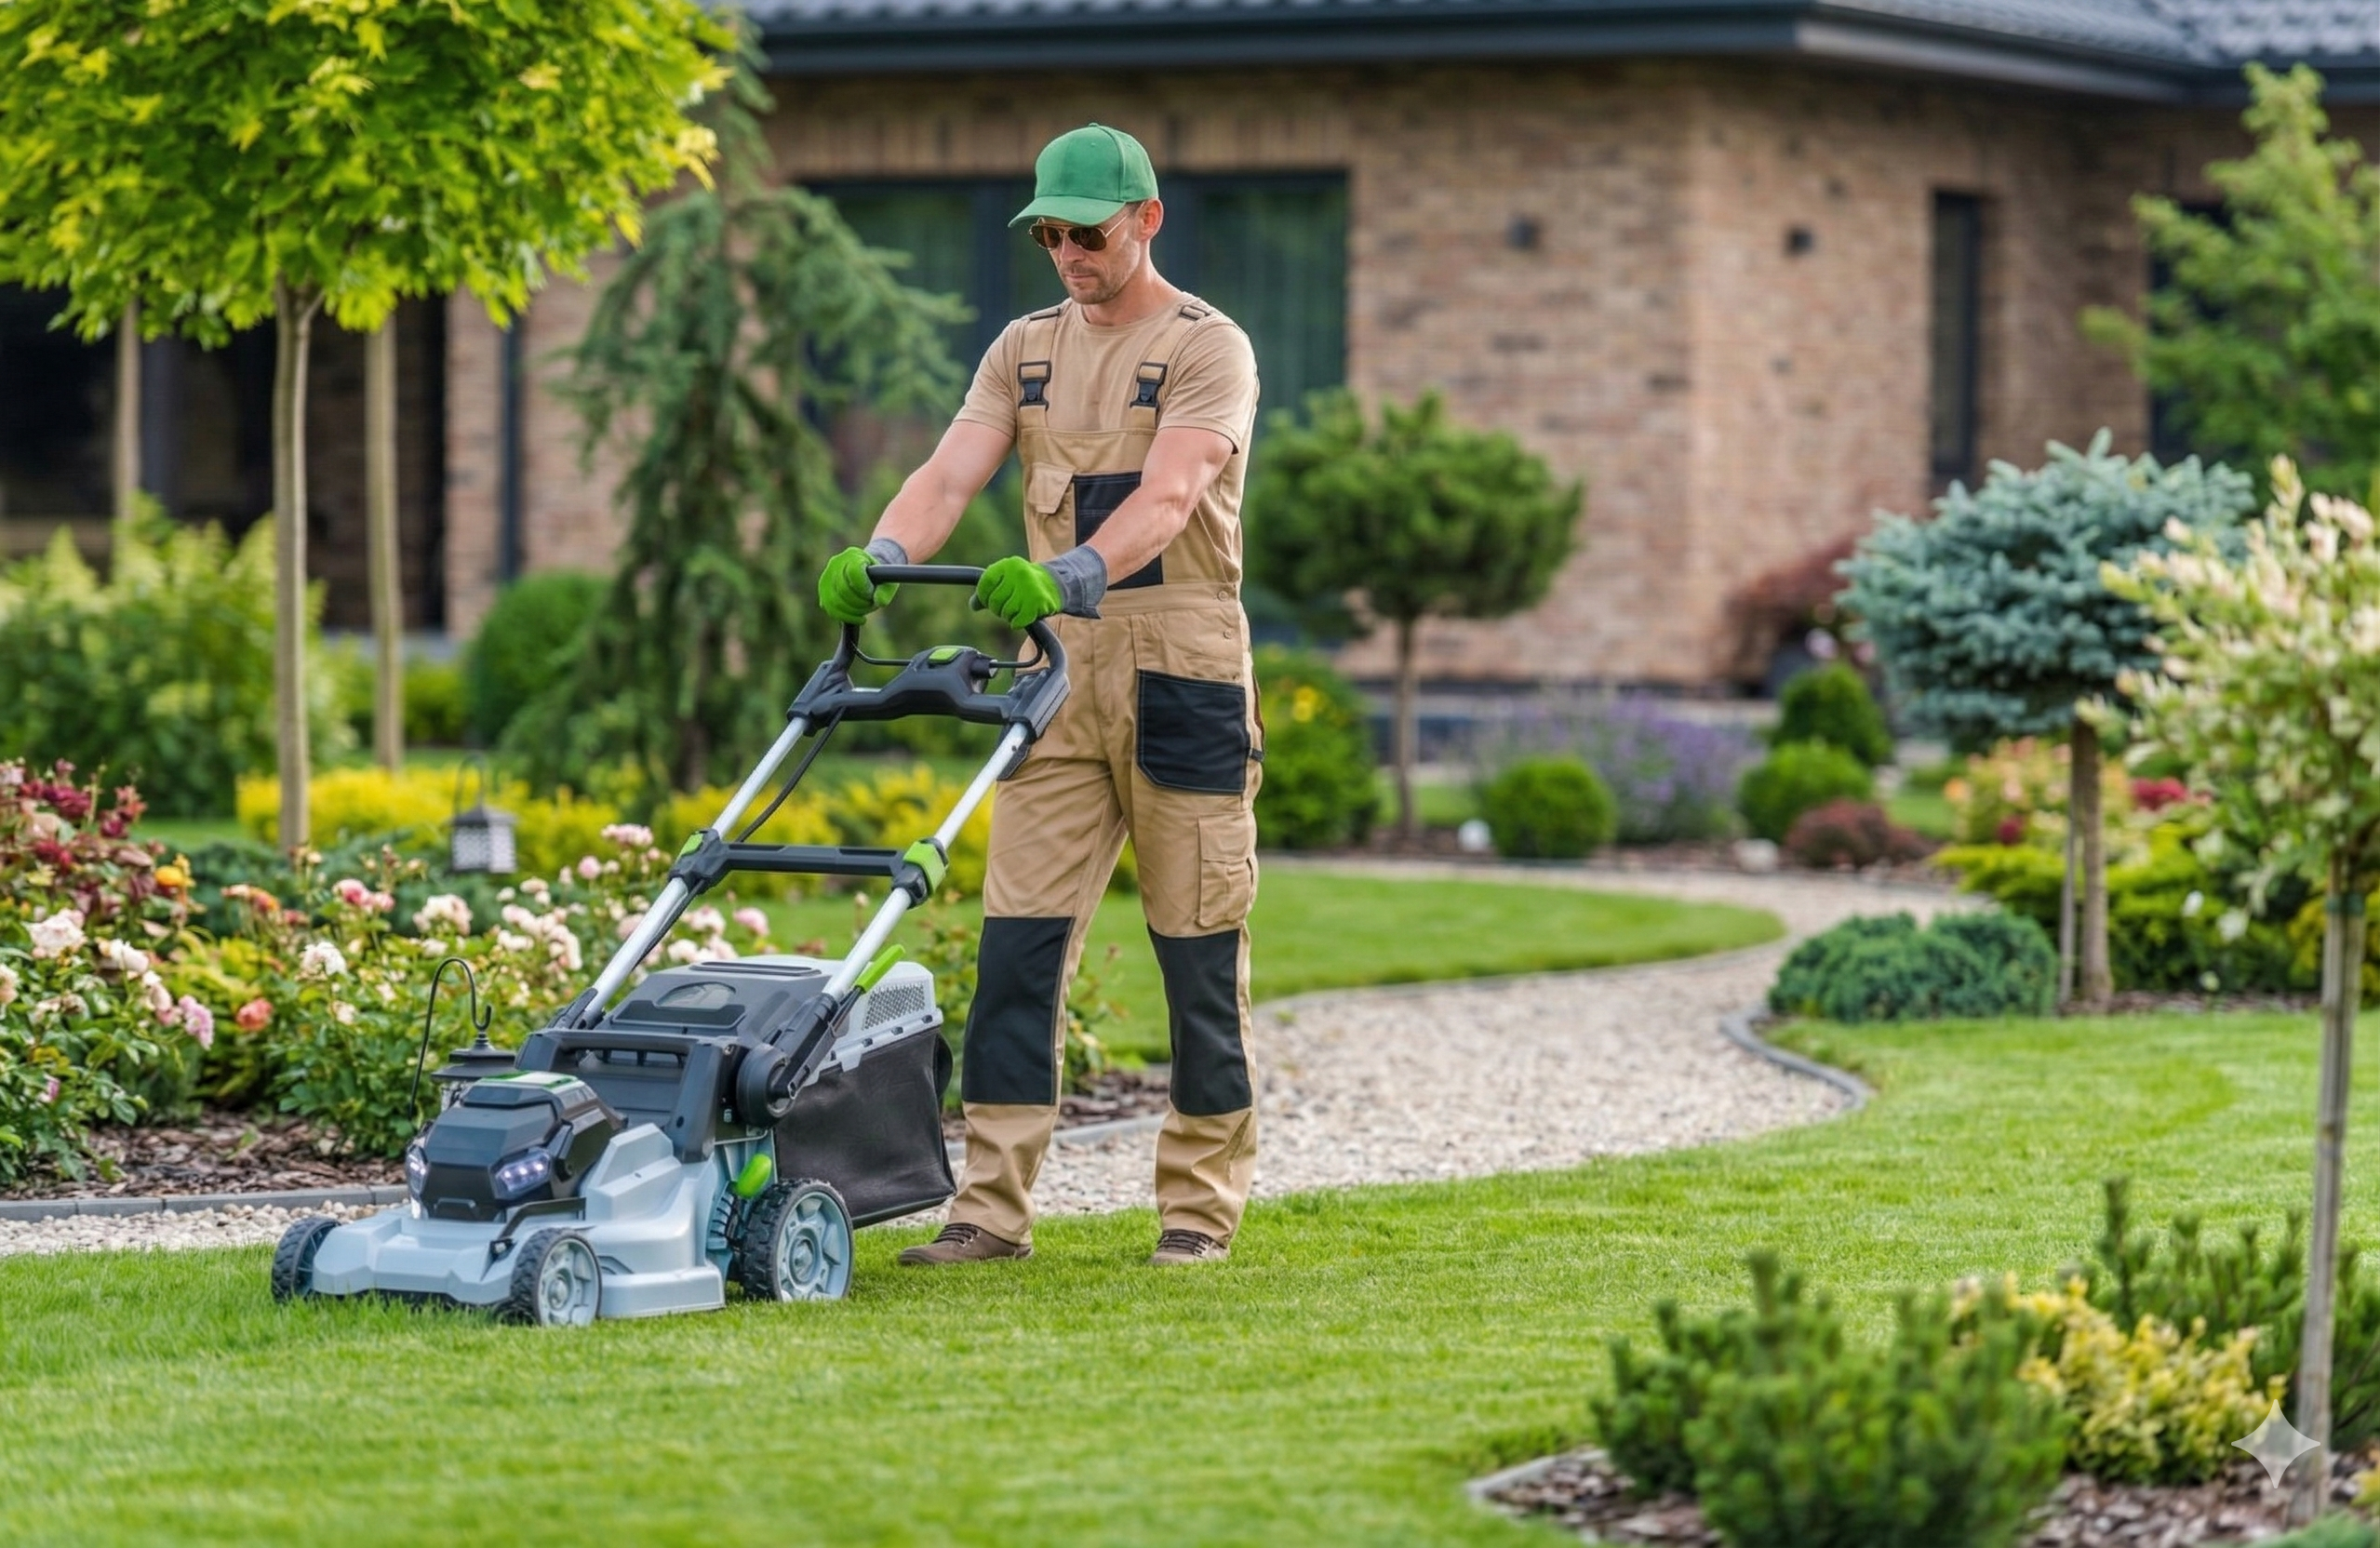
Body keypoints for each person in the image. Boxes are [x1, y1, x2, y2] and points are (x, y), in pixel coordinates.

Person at [817, 123, 1263, 1268]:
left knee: (1196, 953)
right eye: (1048, 234)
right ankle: (988, 1209)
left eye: (1086, 233)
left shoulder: (1208, 346)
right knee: (1016, 946)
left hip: (1181, 671)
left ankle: (1197, 1208)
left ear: (1145, 219)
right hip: (1053, 675)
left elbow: (1171, 496)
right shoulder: (1022, 350)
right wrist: (882, 554)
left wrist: (1069, 573)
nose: (1066, 252)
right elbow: (947, 474)